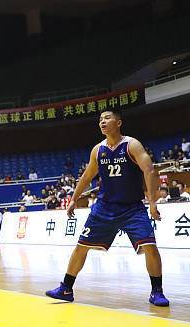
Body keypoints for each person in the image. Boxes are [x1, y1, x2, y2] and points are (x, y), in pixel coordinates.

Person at [46, 110, 169, 307]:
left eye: (107, 118)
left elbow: (149, 170)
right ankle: (66, 288)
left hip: (132, 208)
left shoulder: (131, 144)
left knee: (150, 247)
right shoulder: (98, 150)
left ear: (118, 122)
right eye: (100, 119)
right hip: (104, 208)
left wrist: (152, 202)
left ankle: (157, 292)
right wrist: (73, 199)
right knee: (81, 247)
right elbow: (87, 177)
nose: (102, 121)